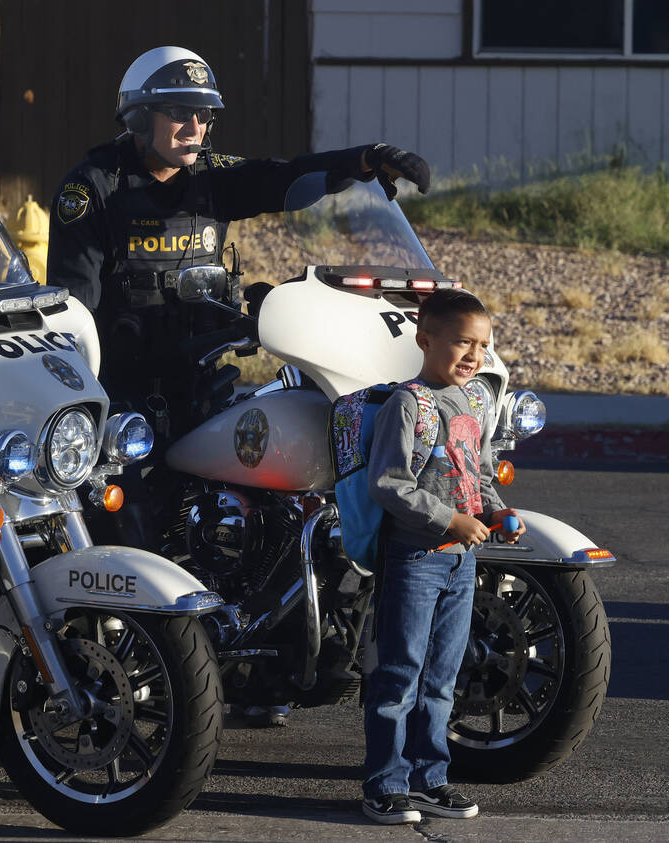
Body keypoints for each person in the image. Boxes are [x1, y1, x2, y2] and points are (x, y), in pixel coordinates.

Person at [46, 45, 430, 727]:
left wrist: (360, 162)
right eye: (180, 113)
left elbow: (283, 178)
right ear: (140, 115)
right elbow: (71, 305)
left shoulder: (211, 178)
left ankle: (260, 665)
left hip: (206, 371)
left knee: (267, 497)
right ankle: (147, 666)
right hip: (128, 388)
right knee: (135, 514)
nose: (195, 126)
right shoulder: (93, 187)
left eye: (204, 115)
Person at [361, 289, 526, 824]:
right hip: (415, 558)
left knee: (443, 676)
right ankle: (384, 785)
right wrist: (449, 520)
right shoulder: (408, 404)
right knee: (400, 674)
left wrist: (498, 513)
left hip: (462, 562)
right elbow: (388, 484)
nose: (474, 355)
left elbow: (475, 475)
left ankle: (430, 778)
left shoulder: (477, 400)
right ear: (425, 339)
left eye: (482, 344)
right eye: (461, 342)